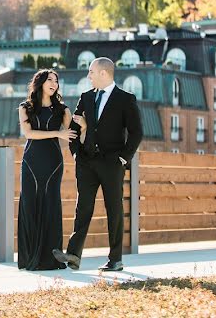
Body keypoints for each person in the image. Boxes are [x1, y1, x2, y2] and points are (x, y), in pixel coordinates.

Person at [52, 57, 143, 272]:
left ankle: (115, 259)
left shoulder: (125, 99)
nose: (88, 76)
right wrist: (76, 154)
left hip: (112, 163)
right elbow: (74, 127)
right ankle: (74, 255)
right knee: (82, 208)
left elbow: (137, 132)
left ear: (103, 73)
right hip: (86, 162)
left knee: (114, 210)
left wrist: (123, 158)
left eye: (91, 72)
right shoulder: (86, 97)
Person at [17, 69, 77, 270]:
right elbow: (29, 133)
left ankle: (51, 258)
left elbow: (73, 133)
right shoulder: (26, 108)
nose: (54, 83)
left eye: (56, 81)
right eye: (50, 80)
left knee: (51, 205)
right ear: (40, 83)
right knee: (29, 205)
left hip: (53, 163)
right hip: (31, 162)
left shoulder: (63, 110)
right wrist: (56, 133)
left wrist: (84, 127)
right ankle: (30, 257)